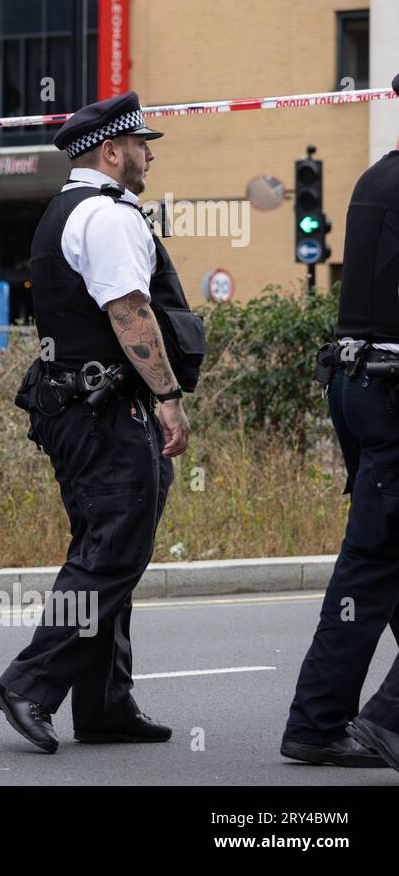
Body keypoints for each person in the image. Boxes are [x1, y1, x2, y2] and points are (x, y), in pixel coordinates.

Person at [0, 90, 206, 753]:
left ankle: (106, 702)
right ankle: (31, 683)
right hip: (106, 409)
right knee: (114, 549)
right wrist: (169, 394)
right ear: (111, 151)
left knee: (106, 547)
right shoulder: (109, 215)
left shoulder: (65, 209)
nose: (149, 153)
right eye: (141, 144)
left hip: (78, 407)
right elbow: (129, 312)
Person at [280, 73, 399, 775]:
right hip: (388, 392)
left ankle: (320, 720)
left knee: (376, 563)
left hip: (359, 385)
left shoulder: (376, 178)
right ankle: (369, 718)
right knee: (370, 566)